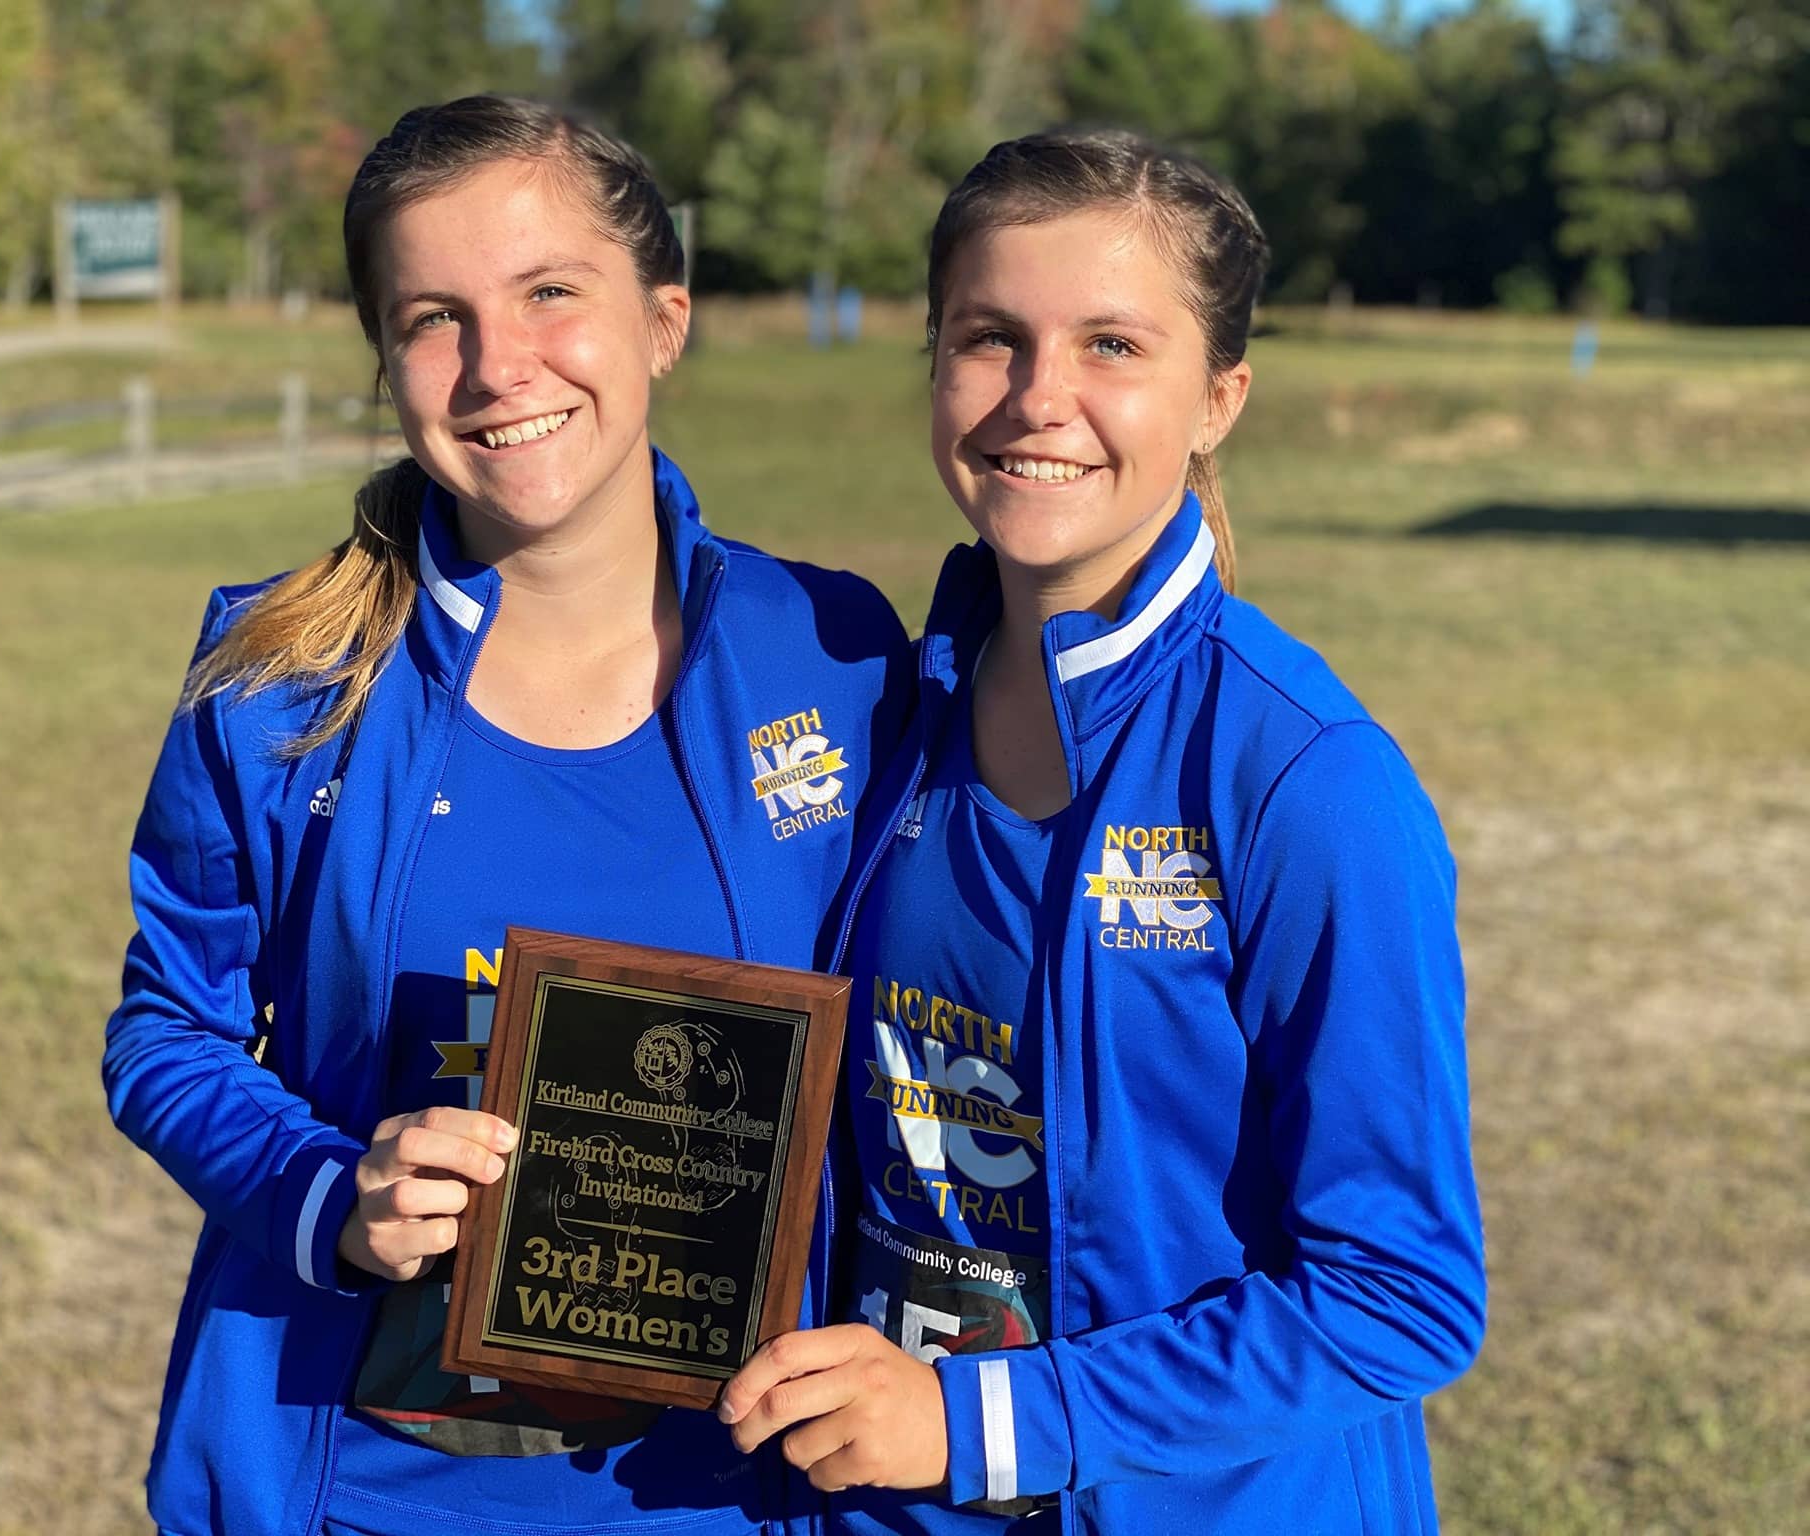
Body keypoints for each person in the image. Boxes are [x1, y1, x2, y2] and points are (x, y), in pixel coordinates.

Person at [103, 96, 907, 1536]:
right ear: (386, 361)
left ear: (663, 319)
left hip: (739, 1495)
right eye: (434, 317)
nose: (497, 367)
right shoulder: (280, 683)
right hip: (363, 1490)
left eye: (551, 292)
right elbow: (166, 1028)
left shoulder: (836, 655)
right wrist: (327, 1193)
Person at [717, 129, 1486, 1532]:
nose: (1037, 400)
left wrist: (985, 1419)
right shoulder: (881, 720)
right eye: (988, 338)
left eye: (1114, 346)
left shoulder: (1305, 781)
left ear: (1220, 398)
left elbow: (1402, 1297)